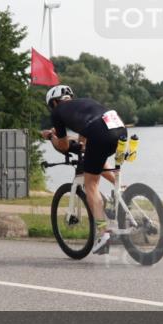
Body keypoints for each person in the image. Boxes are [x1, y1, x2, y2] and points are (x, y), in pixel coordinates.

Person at [41, 85, 126, 253]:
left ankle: (104, 233)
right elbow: (84, 140)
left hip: (99, 132)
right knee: (96, 158)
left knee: (90, 185)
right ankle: (124, 189)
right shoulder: (85, 103)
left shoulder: (58, 112)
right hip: (119, 129)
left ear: (54, 102)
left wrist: (51, 136)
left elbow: (64, 146)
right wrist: (80, 144)